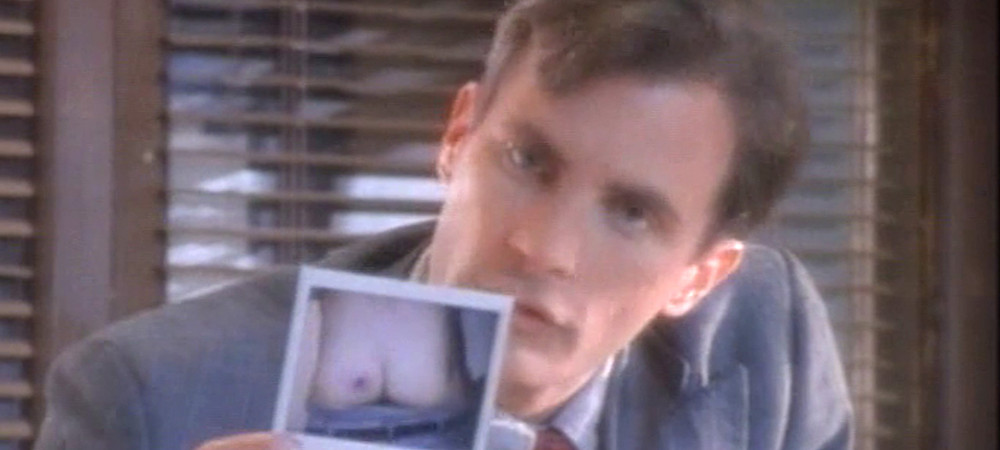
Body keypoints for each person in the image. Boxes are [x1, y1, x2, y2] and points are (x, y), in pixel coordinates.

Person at [34, 0, 854, 449]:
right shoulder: (148, 398)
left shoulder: (765, 336)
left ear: (698, 278)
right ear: (457, 136)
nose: (543, 247)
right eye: (527, 162)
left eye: (631, 214)